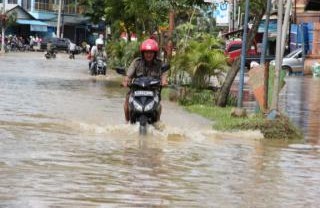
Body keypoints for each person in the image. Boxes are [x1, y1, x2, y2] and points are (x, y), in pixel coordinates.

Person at [122, 38, 168, 123]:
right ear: (143, 53)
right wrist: (126, 80)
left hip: (153, 90)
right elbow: (128, 74)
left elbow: (164, 74)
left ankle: (157, 121)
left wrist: (164, 81)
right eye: (146, 52)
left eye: (151, 52)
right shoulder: (136, 62)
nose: (149, 55)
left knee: (159, 103)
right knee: (127, 98)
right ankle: (126, 121)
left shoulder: (159, 63)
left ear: (155, 54)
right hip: (137, 90)